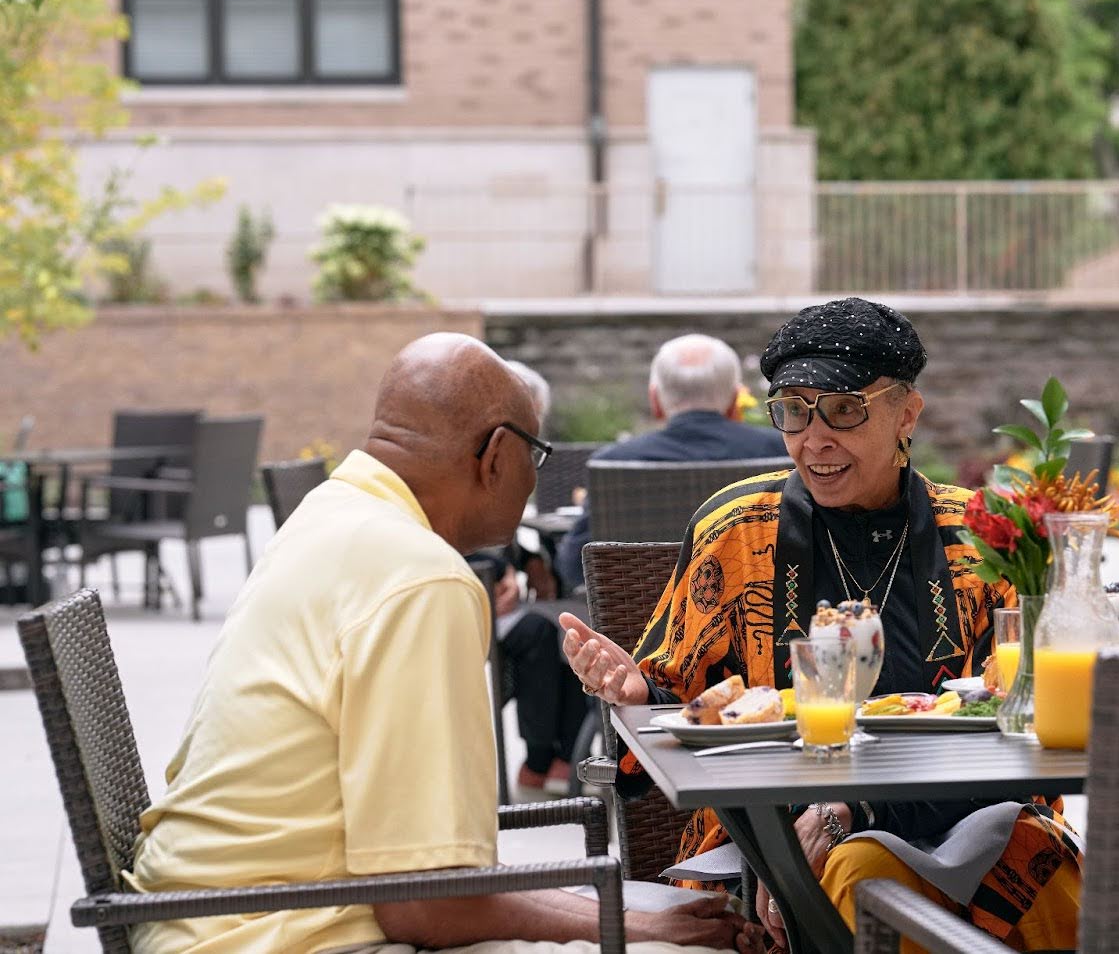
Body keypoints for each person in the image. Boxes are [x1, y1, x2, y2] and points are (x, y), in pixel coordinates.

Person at [125, 333, 761, 954]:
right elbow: (430, 904)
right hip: (272, 933)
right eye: (534, 456)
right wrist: (635, 923)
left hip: (211, 914)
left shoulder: (329, 513)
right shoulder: (424, 577)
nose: (533, 482)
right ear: (495, 455)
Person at [558, 299, 1083, 952]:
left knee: (1026, 865)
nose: (814, 438)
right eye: (793, 411)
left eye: (843, 409)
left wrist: (855, 812)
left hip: (972, 816)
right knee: (856, 874)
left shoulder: (985, 536)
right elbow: (675, 721)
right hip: (770, 835)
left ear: (906, 413)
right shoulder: (738, 528)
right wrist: (640, 696)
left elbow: (1029, 727)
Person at [553, 333, 786, 589]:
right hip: (757, 610)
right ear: (734, 401)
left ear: (655, 401)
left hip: (639, 618)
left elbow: (574, 566)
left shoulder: (615, 462)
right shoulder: (779, 450)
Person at [469, 360, 591, 795]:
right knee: (545, 631)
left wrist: (528, 560)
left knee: (570, 624)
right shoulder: (461, 460)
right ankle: (543, 755)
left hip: (497, 591)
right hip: (472, 597)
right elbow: (455, 528)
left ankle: (559, 757)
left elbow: (494, 531)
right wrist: (502, 569)